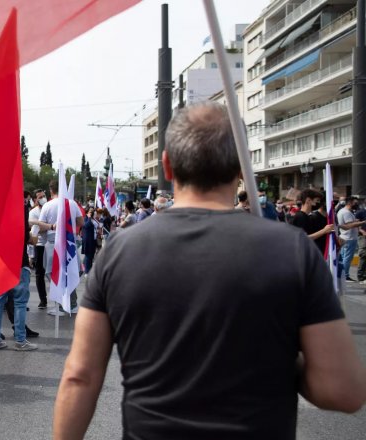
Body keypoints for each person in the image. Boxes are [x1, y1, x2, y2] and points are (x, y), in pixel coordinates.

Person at [54, 102, 366, 439]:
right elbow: (341, 390)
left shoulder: (118, 251)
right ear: (240, 164)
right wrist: (281, 353)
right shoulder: (294, 251)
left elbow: (80, 377)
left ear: (167, 166)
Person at [0, 198, 38, 351]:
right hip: (18, 263)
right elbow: (28, 237)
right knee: (20, 303)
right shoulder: (20, 210)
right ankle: (20, 340)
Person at [36, 180, 83, 315]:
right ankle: (72, 303)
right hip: (70, 241)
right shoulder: (72, 203)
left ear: (51, 190)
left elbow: (41, 226)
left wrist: (51, 226)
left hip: (53, 242)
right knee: (71, 271)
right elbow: (81, 222)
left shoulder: (47, 205)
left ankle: (63, 306)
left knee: (54, 273)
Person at [292, 189, 334, 255]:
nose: (318, 204)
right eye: (317, 201)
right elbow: (304, 238)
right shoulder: (300, 217)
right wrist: (324, 230)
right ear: (308, 200)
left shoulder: (306, 216)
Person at [28, 189, 49, 309]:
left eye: (44, 195)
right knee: (39, 273)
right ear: (35, 200)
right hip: (40, 245)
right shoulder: (33, 212)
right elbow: (34, 229)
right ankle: (43, 300)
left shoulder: (50, 208)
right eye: (40, 197)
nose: (42, 198)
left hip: (51, 244)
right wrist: (47, 227)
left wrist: (43, 227)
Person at [336, 196, 365, 281]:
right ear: (349, 203)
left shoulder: (345, 211)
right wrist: (362, 222)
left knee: (344, 257)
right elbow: (349, 225)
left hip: (346, 237)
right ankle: (345, 275)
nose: (356, 204)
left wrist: (356, 221)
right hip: (349, 238)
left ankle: (343, 274)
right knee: (347, 258)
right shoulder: (346, 212)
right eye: (354, 202)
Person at [80, 209, 98, 273]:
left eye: (92, 211)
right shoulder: (85, 218)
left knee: (91, 255)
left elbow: (97, 226)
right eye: (90, 211)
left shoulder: (94, 219)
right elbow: (86, 225)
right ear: (87, 212)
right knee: (88, 255)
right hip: (88, 240)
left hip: (94, 239)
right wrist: (89, 218)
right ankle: (87, 271)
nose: (91, 213)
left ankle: (88, 269)